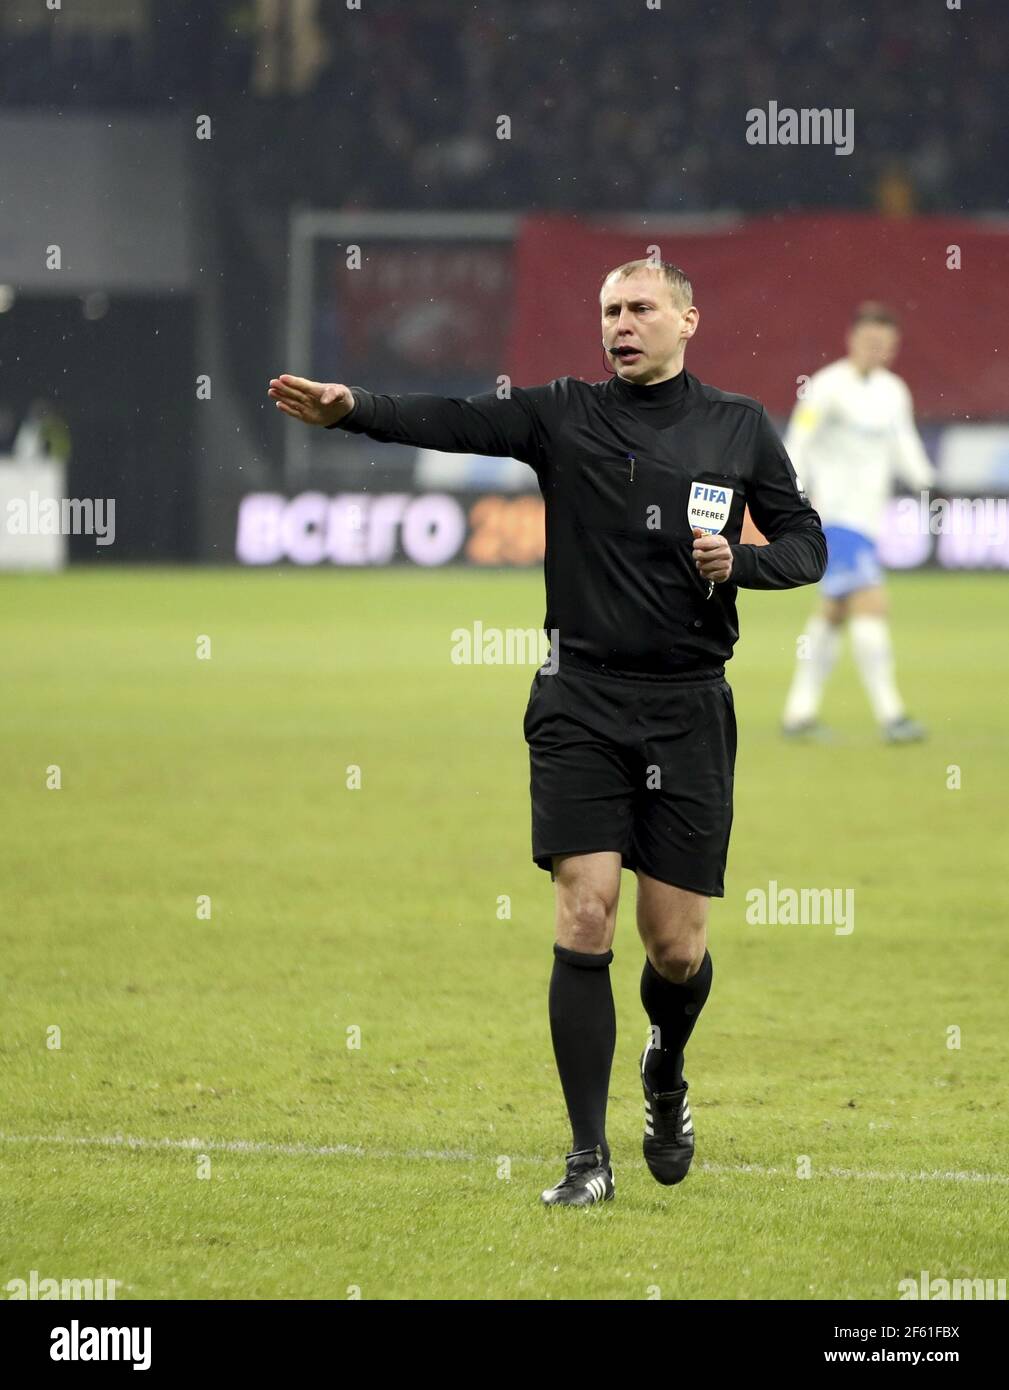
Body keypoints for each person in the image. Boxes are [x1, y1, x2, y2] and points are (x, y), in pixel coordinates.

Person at [267, 258, 826, 1207]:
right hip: (579, 700)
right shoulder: (562, 412)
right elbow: (454, 421)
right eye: (608, 309)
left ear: (688, 317)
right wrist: (351, 405)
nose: (621, 323)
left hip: (689, 705)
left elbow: (808, 541)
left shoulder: (737, 425)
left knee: (676, 949)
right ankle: (584, 1157)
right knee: (583, 911)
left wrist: (742, 562)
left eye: (640, 307)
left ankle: (664, 1069)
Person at [781, 303, 936, 742]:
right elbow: (798, 442)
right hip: (835, 519)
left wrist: (928, 482)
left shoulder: (893, 391)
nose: (877, 351)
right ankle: (892, 716)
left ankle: (799, 714)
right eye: (870, 342)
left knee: (832, 614)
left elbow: (904, 444)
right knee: (871, 604)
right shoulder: (827, 387)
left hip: (867, 520)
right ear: (852, 340)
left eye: (885, 345)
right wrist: (794, 502)